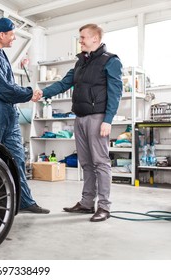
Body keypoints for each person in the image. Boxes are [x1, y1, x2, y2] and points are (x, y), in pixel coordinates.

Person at [41, 23, 123, 222]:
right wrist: (41, 93)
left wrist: (108, 120)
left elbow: (115, 92)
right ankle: (87, 203)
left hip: (98, 118)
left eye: (83, 37)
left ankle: (104, 206)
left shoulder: (110, 61)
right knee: (85, 163)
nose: (80, 41)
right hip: (80, 117)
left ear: (95, 38)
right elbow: (63, 84)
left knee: (101, 163)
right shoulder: (80, 63)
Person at [0, 17, 49, 214]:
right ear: (2, 34)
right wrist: (28, 93)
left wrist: (26, 92)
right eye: (12, 34)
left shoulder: (0, 54)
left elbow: (9, 86)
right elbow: (2, 88)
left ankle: (24, 201)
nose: (14, 38)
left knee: (17, 157)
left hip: (8, 110)